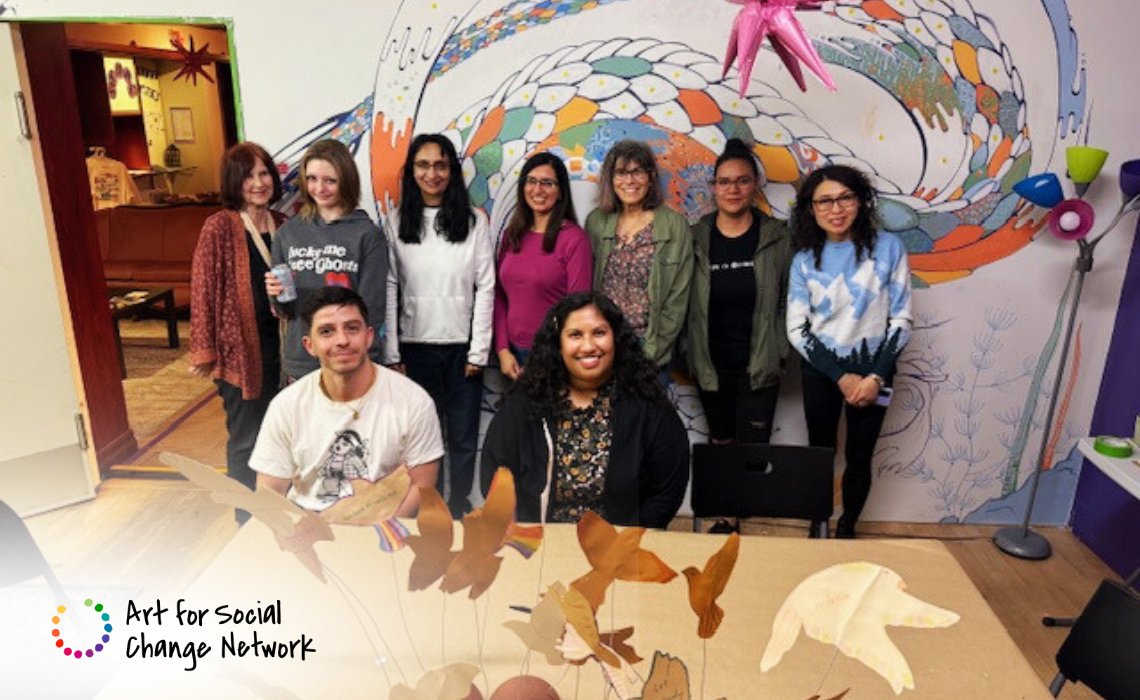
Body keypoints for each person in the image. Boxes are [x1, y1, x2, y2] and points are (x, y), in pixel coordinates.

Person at [481, 292, 689, 528]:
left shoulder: (649, 407)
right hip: (540, 548)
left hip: (622, 550)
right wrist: (522, 540)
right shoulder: (525, 404)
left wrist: (623, 544)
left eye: (599, 333)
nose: (588, 346)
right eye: (575, 335)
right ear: (558, 344)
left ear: (617, 339)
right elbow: (494, 478)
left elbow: (666, 493)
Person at [787, 164, 913, 539]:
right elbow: (796, 328)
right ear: (811, 208)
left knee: (860, 457)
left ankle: (847, 528)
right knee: (819, 454)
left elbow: (902, 318)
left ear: (861, 201)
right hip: (822, 373)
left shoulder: (889, 248)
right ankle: (818, 524)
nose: (836, 209)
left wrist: (875, 377)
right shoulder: (804, 260)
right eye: (824, 201)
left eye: (845, 198)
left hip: (876, 371)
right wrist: (840, 376)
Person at [251, 286, 442, 516]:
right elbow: (269, 490)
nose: (342, 340)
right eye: (326, 331)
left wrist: (382, 533)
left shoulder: (413, 401)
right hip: (309, 521)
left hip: (386, 524)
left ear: (369, 336)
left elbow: (421, 485)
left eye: (352, 328)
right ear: (309, 345)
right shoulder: (286, 405)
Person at [383, 134, 495, 518]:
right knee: (424, 441)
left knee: (463, 438)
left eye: (441, 165)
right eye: (423, 165)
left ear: (452, 171)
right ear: (412, 171)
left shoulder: (474, 221)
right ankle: (427, 511)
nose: (432, 173)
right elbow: (391, 286)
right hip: (414, 349)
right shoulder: (396, 221)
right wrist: (393, 352)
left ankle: (460, 507)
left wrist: (479, 350)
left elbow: (486, 285)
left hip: (463, 350)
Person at [686, 139, 793, 533]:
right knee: (721, 441)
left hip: (759, 361)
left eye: (742, 181)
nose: (732, 189)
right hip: (711, 361)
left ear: (755, 186)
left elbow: (788, 297)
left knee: (753, 449)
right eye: (724, 182)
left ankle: (744, 511)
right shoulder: (696, 236)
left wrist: (780, 347)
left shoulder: (777, 237)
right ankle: (727, 517)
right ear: (713, 187)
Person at [189, 142, 286, 524]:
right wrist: (204, 349)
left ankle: (285, 519)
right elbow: (202, 287)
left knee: (284, 440)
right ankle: (249, 524)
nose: (258, 183)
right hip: (241, 353)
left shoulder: (284, 223)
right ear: (235, 181)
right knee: (247, 441)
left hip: (283, 348)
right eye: (248, 176)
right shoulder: (219, 226)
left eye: (264, 174)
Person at [266, 139, 387, 380]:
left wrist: (362, 357)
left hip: (351, 361)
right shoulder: (287, 234)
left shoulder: (367, 235)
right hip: (301, 361)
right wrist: (276, 294)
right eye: (311, 178)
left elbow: (372, 309)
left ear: (347, 181)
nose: (319, 188)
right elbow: (284, 310)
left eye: (330, 180)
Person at [585, 139, 693, 373]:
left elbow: (678, 299)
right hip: (601, 346)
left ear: (651, 176)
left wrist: (651, 354)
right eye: (621, 173)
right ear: (610, 179)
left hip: (651, 347)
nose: (630, 181)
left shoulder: (674, 226)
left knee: (644, 411)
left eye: (637, 172)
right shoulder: (596, 222)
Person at [494, 151, 592, 379]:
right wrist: (502, 350)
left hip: (554, 356)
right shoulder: (512, 235)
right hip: (511, 355)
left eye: (547, 183)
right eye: (532, 181)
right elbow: (499, 296)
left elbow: (577, 309)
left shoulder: (574, 239)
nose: (538, 190)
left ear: (560, 192)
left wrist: (551, 358)